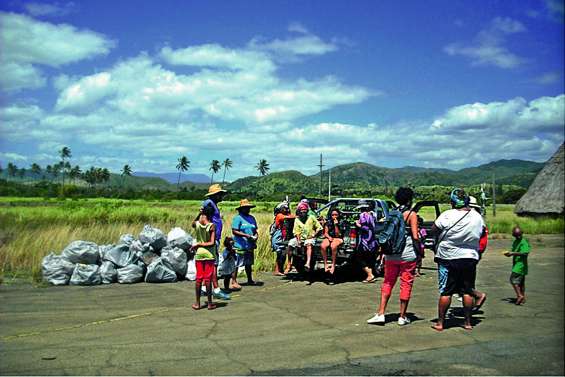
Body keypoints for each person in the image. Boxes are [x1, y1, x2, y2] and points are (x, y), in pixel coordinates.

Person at [431, 188, 485, 331]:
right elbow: (480, 233)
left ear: (452, 202)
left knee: (446, 291)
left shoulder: (447, 215)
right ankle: (467, 322)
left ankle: (440, 323)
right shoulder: (477, 216)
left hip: (448, 257)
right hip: (469, 257)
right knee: (467, 290)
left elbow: (434, 230)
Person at [367, 187, 421, 326]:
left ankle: (381, 313)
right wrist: (420, 252)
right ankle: (402, 317)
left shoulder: (392, 213)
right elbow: (415, 237)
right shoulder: (411, 215)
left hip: (391, 254)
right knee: (406, 283)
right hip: (407, 255)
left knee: (388, 282)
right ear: (410, 199)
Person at [201, 184, 230, 300]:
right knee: (213, 264)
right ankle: (216, 289)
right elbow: (203, 220)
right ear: (215, 195)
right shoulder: (209, 204)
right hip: (211, 239)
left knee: (210, 263)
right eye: (220, 194)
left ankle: (204, 287)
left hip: (214, 239)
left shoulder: (212, 204)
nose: (221, 196)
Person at [191, 205, 218, 310]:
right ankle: (210, 303)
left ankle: (197, 303)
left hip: (199, 254)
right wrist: (200, 245)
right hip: (209, 255)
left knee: (199, 279)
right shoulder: (211, 226)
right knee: (208, 279)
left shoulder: (197, 224)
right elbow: (211, 242)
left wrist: (200, 214)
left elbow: (194, 222)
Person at [286, 201, 322, 273]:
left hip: (309, 237)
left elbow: (319, 227)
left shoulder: (311, 217)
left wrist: (313, 235)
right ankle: (289, 263)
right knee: (290, 244)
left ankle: (308, 263)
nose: (303, 212)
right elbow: (296, 231)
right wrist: (299, 241)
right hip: (300, 237)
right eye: (302, 210)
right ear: (299, 211)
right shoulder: (297, 220)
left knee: (309, 244)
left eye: (305, 210)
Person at [232, 199, 259, 285]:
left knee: (248, 264)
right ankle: (234, 281)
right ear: (241, 209)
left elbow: (255, 230)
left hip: (249, 245)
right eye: (245, 208)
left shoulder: (252, 218)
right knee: (236, 264)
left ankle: (250, 280)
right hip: (239, 245)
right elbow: (234, 231)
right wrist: (246, 236)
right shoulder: (238, 218)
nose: (247, 209)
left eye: (248, 208)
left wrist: (255, 237)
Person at [468, 196, 488, 310]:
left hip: (472, 251)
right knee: (469, 279)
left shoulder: (473, 219)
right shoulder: (479, 218)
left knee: (464, 282)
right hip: (476, 251)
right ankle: (471, 305)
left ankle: (477, 296)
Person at [504, 226, 530, 305]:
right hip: (517, 263)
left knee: (513, 279)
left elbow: (525, 253)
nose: (518, 236)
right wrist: (510, 254)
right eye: (516, 235)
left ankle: (519, 295)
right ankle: (523, 297)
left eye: (519, 235)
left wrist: (513, 253)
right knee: (521, 282)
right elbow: (514, 251)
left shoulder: (523, 242)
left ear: (522, 234)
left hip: (520, 265)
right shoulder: (516, 241)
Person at [355, 200, 377, 283]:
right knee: (369, 257)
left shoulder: (362, 215)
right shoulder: (371, 214)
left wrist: (358, 224)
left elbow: (365, 228)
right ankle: (370, 276)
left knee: (359, 257)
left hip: (366, 240)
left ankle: (370, 275)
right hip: (372, 239)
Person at [271, 201, 295, 276]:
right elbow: (288, 217)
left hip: (281, 236)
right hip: (277, 236)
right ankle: (277, 270)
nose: (286, 209)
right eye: (285, 208)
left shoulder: (284, 214)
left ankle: (280, 270)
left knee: (282, 253)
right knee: (280, 253)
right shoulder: (279, 215)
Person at [320, 209, 344, 274]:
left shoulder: (341, 222)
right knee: (323, 245)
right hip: (330, 237)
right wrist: (329, 237)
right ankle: (325, 264)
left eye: (336, 215)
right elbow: (325, 233)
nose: (334, 216)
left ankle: (333, 265)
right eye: (333, 215)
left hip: (338, 238)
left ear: (339, 215)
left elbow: (338, 234)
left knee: (333, 246)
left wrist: (336, 225)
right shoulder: (328, 222)